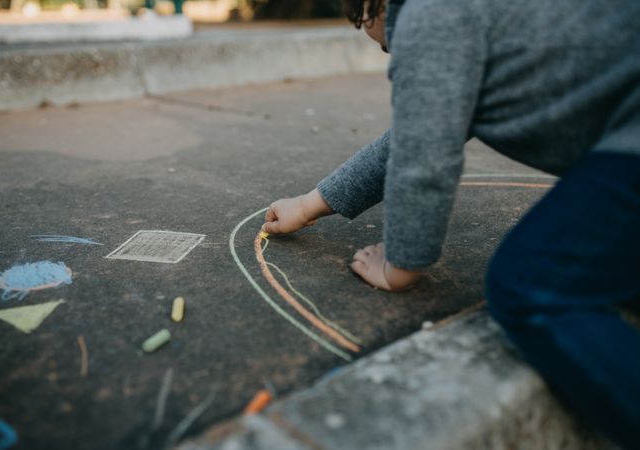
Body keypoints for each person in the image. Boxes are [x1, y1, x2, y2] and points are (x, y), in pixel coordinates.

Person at [261, 0, 640, 447]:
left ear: (371, 8)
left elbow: (423, 159)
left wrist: (401, 263)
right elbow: (411, 135)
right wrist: (308, 205)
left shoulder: (428, 14)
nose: (396, 54)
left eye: (389, 47)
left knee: (532, 285)